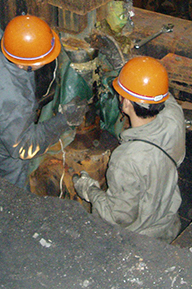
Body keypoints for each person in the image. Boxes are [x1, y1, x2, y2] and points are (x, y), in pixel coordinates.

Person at [0, 15, 87, 189]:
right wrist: (63, 121)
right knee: (15, 191)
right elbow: (24, 146)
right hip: (0, 148)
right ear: (24, 65)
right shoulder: (12, 100)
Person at [73, 56, 185, 242]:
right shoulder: (174, 117)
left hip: (140, 239)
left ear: (126, 104)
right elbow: (159, 92)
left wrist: (89, 190)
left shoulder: (127, 159)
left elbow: (118, 216)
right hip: (168, 223)